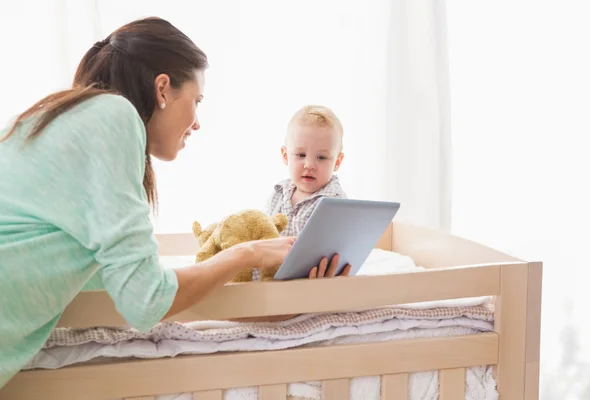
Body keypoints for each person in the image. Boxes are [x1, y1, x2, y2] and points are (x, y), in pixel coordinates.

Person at [0, 17, 348, 389]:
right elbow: (147, 301)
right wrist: (246, 254)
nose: (197, 123)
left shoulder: (65, 118)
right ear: (163, 89)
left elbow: (121, 292)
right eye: (196, 101)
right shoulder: (113, 116)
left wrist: (291, 299)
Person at [263, 104, 348, 237]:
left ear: (337, 162)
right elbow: (263, 231)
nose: (309, 165)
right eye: (301, 155)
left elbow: (341, 241)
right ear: (286, 156)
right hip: (274, 257)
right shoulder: (279, 192)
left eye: (321, 157)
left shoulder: (335, 201)